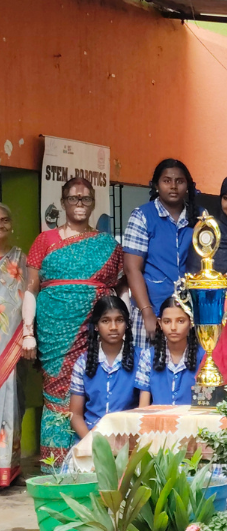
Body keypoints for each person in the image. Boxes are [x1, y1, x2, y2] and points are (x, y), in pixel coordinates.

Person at [23, 178, 123, 471]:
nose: (80, 204)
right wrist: (28, 332)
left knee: (90, 389)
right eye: (73, 198)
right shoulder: (44, 241)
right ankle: (56, 469)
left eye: (86, 198)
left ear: (93, 203)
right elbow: (31, 288)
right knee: (56, 392)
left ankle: (92, 465)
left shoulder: (108, 244)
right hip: (53, 329)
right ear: (63, 202)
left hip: (94, 329)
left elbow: (120, 290)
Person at [124, 159, 198, 350]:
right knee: (148, 364)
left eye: (179, 181)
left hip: (190, 313)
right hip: (152, 309)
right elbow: (132, 269)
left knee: (187, 364)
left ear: (188, 186)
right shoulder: (142, 216)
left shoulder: (200, 217)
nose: (173, 186)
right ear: (156, 185)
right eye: (166, 181)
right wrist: (147, 312)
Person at [70, 296, 138, 438]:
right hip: (90, 436)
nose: (113, 327)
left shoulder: (141, 359)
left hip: (128, 437)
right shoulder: (83, 363)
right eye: (105, 321)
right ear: (96, 326)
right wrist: (91, 442)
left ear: (127, 324)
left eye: (119, 320)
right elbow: (75, 415)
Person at [0, 204, 27, 487]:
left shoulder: (21, 258)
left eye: (5, 220)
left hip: (12, 342)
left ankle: (8, 469)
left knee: (12, 402)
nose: (1, 224)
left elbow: (29, 297)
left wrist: (27, 334)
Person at [135, 296, 203, 406]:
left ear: (191, 322)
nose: (173, 327)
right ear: (160, 323)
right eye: (167, 322)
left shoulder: (203, 357)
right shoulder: (148, 356)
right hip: (156, 417)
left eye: (180, 321)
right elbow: (143, 406)